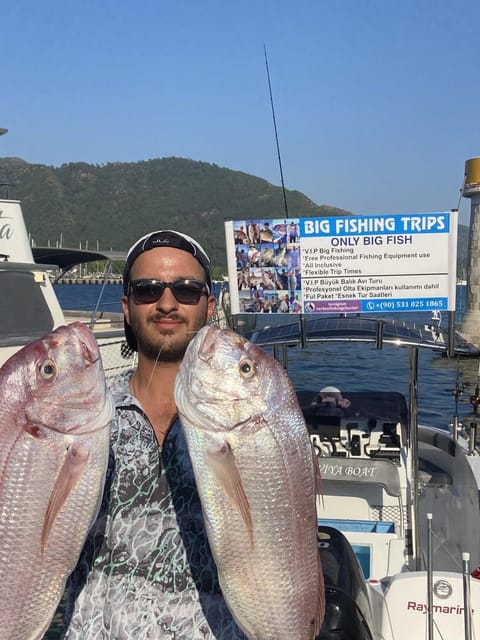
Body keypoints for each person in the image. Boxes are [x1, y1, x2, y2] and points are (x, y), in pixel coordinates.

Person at [63, 230, 247, 639]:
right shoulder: (81, 423)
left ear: (209, 306)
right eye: (148, 290)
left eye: (186, 289)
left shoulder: (248, 427)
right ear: (127, 307)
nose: (167, 303)